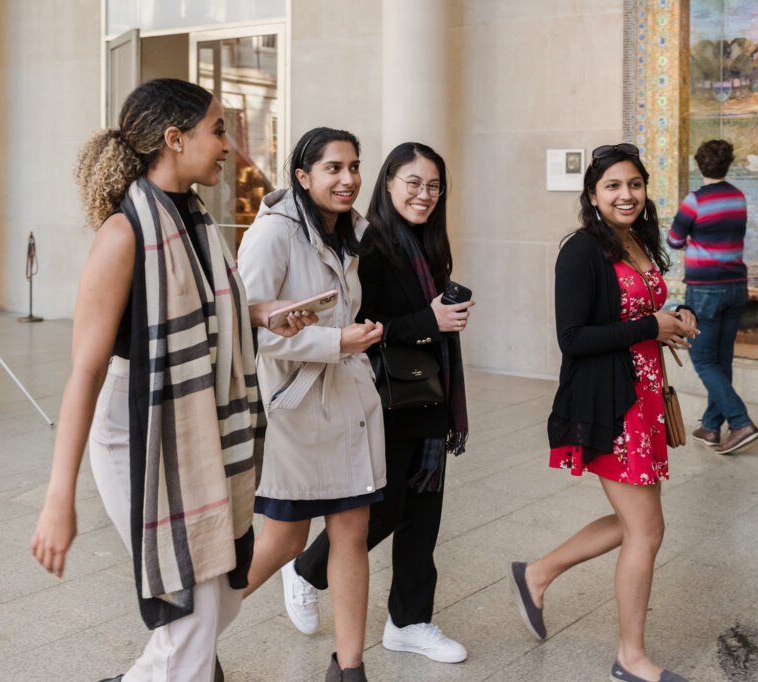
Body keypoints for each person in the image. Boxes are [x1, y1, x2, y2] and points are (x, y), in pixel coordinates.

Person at [29, 78, 315, 682]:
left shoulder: (195, 220)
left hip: (198, 422)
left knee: (219, 595)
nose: (227, 147)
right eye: (217, 131)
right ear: (174, 138)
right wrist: (59, 497)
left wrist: (262, 314)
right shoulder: (123, 235)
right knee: (193, 607)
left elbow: (214, 314)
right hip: (136, 429)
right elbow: (84, 370)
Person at [508, 144, 697, 682]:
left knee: (637, 523)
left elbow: (643, 310)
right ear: (592, 195)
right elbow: (573, 339)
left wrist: (675, 318)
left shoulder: (637, 241)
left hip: (644, 401)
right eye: (613, 186)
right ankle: (630, 658)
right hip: (612, 407)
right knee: (647, 529)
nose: (626, 195)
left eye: (634, 184)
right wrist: (650, 328)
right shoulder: (581, 251)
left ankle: (537, 573)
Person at [280, 142, 474, 665]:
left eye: (433, 186)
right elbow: (363, 330)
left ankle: (410, 622)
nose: (424, 194)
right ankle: (305, 570)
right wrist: (428, 322)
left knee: (423, 518)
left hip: (428, 396)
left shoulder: (429, 244)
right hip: (386, 398)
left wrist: (443, 316)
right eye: (413, 182)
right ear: (388, 183)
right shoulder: (374, 246)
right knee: (382, 513)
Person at [237, 127, 386, 682]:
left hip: (348, 403)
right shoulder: (272, 236)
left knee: (352, 532)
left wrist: (352, 341)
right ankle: (187, 637)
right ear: (302, 176)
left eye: (354, 166)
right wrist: (335, 341)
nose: (348, 179)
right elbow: (249, 327)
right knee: (283, 540)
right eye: (333, 168)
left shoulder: (350, 232)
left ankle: (350, 669)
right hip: (295, 410)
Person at [668, 139, 758, 455]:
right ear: (728, 164)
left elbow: (673, 240)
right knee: (721, 360)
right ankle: (710, 428)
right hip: (737, 286)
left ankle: (740, 422)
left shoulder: (694, 201)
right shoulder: (739, 197)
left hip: (706, 289)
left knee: (704, 360)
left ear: (699, 165)